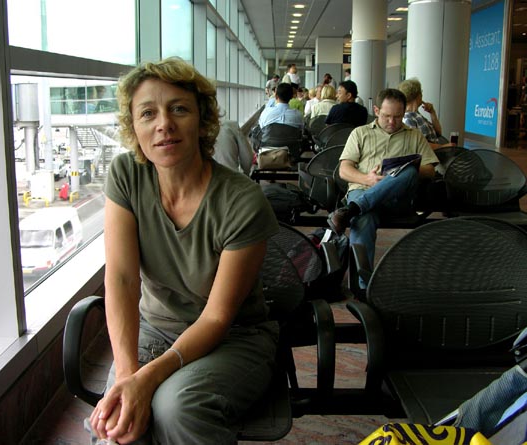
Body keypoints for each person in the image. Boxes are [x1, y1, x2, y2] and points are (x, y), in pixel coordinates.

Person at [88, 57, 280, 445]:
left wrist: (147, 378)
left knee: (176, 408)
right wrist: (127, 376)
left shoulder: (242, 201)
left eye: (179, 109)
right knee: (119, 421)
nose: (164, 124)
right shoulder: (127, 175)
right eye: (148, 113)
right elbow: (122, 280)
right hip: (156, 327)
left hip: (233, 338)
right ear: (133, 126)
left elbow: (217, 317)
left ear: (202, 120)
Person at [327, 88, 438, 288]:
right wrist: (368, 179)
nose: (392, 122)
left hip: (397, 199)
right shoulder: (360, 133)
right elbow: (344, 170)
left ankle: (353, 209)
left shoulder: (414, 135)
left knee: (410, 171)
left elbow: (430, 171)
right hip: (363, 188)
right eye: (387, 116)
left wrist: (402, 170)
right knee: (364, 218)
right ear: (376, 110)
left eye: (398, 117)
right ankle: (363, 286)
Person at [398, 77, 452, 149]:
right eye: (421, 92)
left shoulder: (416, 114)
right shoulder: (408, 118)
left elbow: (438, 133)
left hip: (436, 152)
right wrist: (443, 147)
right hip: (430, 154)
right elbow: (416, 144)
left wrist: (432, 112)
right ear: (418, 95)